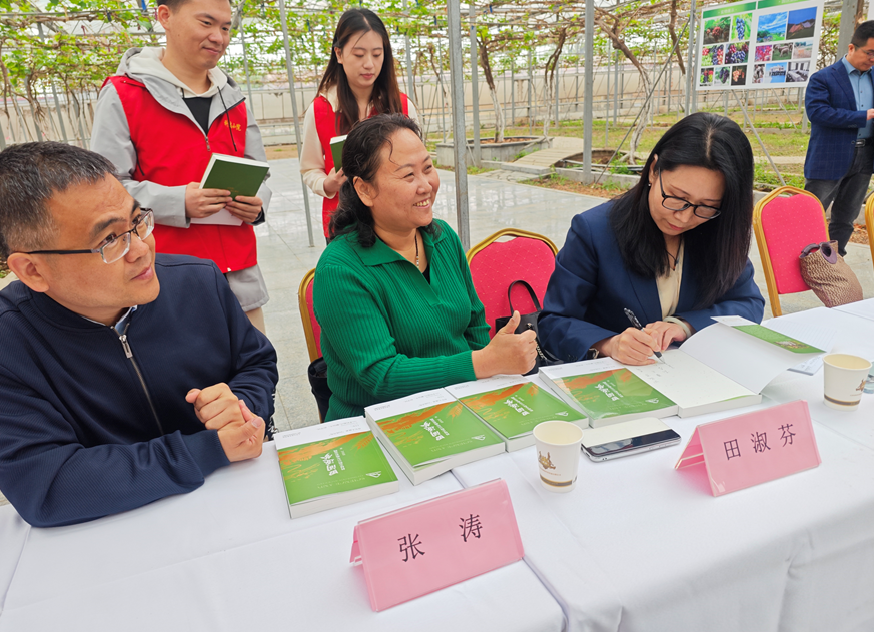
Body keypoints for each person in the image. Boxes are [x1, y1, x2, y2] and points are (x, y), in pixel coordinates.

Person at [0, 142, 278, 528]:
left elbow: (256, 362)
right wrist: (206, 448)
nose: (141, 249)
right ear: (32, 270)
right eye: (109, 241)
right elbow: (48, 486)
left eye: (138, 222)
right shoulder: (11, 343)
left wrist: (241, 408)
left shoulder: (197, 280)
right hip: (116, 535)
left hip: (235, 502)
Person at [313, 114, 536, 420]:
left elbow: (474, 326)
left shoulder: (442, 238)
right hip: (376, 423)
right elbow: (382, 376)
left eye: (428, 168)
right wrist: (484, 363)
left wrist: (489, 384)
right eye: (408, 176)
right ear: (364, 190)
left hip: (460, 406)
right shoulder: (341, 269)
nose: (426, 186)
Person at [90, 0, 272, 333]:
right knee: (192, 380)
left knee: (257, 374)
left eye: (226, 27)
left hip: (240, 275)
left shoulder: (233, 98)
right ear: (164, 16)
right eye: (206, 23)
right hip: (168, 276)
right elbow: (107, 188)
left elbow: (259, 170)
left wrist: (257, 203)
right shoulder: (125, 95)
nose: (218, 36)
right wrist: (178, 202)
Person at [539, 113, 765, 366]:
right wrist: (609, 344)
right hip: (616, 380)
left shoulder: (717, 229)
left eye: (706, 205)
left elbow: (748, 303)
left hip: (695, 374)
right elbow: (554, 323)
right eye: (677, 197)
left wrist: (686, 325)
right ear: (654, 170)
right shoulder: (594, 231)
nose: (684, 217)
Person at [300, 8, 418, 241]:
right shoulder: (320, 110)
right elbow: (309, 169)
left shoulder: (402, 106)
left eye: (377, 54)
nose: (369, 64)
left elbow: (418, 165)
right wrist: (328, 183)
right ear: (339, 54)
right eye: (359, 54)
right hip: (344, 225)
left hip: (398, 224)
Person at [804, 20, 874, 256]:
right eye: (870, 53)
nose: (872, 59)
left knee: (846, 215)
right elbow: (818, 113)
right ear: (852, 47)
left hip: (865, 156)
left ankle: (834, 259)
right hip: (830, 156)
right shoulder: (823, 78)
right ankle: (803, 257)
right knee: (812, 211)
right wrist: (863, 116)